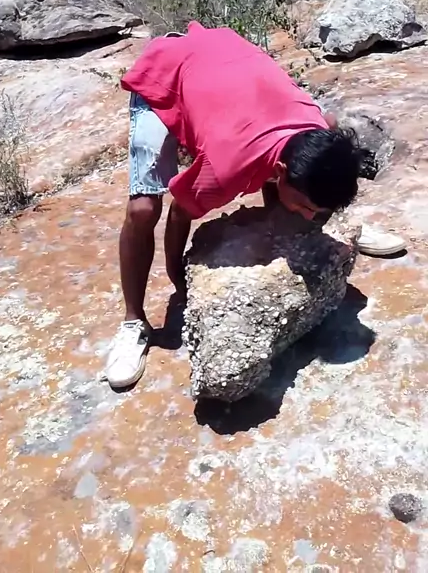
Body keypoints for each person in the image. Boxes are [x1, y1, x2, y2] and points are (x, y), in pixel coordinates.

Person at [104, 21, 405, 389]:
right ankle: (133, 322)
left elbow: (316, 159)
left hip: (228, 65)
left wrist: (331, 228)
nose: (310, 216)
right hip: (168, 69)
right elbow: (179, 212)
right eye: (308, 207)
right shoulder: (225, 168)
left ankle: (340, 230)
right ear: (279, 173)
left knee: (308, 183)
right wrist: (177, 277)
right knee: (142, 209)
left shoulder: (319, 126)